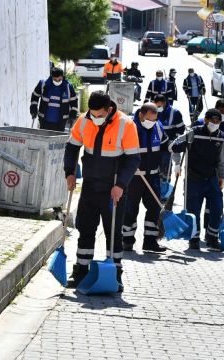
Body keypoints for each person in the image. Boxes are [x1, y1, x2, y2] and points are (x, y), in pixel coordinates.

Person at [64, 91, 141, 291]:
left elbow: (133, 159)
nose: (95, 119)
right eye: (92, 114)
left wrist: (121, 185)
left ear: (108, 110)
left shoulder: (126, 124)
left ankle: (114, 274)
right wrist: (69, 172)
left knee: (113, 232)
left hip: (113, 189)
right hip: (90, 186)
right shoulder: (84, 120)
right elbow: (72, 147)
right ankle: (81, 271)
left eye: (99, 115)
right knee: (85, 229)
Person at [169, 109, 224, 250]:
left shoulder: (221, 136)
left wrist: (222, 176)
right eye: (212, 120)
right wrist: (177, 164)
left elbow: (222, 159)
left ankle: (212, 237)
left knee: (217, 207)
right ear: (206, 120)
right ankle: (194, 238)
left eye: (218, 121)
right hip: (194, 179)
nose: (215, 124)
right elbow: (173, 146)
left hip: (212, 178)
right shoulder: (193, 132)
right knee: (193, 210)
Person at [122, 103, 171, 253]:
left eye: (154, 120)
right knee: (130, 209)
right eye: (149, 120)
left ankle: (150, 242)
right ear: (142, 115)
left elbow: (165, 144)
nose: (151, 123)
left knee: (154, 208)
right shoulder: (130, 127)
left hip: (152, 176)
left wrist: (174, 147)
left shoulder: (157, 126)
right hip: (134, 177)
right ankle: (127, 241)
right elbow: (121, 149)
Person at [193, 99, 224, 229]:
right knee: (196, 201)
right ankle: (195, 232)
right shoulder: (200, 124)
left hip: (216, 169)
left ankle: (210, 227)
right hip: (196, 171)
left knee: (214, 202)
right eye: (222, 111)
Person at [30, 67, 79, 132]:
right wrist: (33, 107)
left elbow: (74, 101)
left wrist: (73, 114)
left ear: (62, 77)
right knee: (44, 141)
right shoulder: (43, 84)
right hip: (44, 121)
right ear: (51, 77)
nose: (57, 81)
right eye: (55, 80)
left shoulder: (68, 86)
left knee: (58, 142)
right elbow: (35, 96)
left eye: (59, 79)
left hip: (60, 123)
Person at [154, 95, 185, 191]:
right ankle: (155, 190)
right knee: (155, 169)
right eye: (156, 106)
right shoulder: (153, 111)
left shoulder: (175, 113)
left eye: (159, 106)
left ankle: (165, 191)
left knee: (166, 169)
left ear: (164, 103)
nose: (158, 108)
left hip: (168, 147)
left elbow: (181, 131)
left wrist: (174, 143)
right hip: (155, 146)